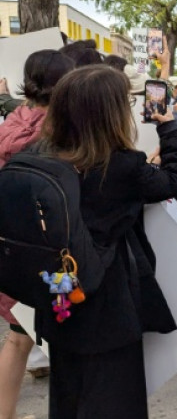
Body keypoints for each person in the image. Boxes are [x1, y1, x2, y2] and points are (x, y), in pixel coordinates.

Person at [38, 64, 177, 418]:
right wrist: (171, 133)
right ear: (111, 115)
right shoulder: (122, 166)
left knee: (67, 392)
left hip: (58, 290)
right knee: (117, 393)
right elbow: (173, 182)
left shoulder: (41, 157)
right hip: (109, 295)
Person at [0, 50, 75, 419]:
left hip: (9, 248)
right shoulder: (59, 132)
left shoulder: (11, 122)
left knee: (17, 338)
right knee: (66, 337)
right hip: (49, 253)